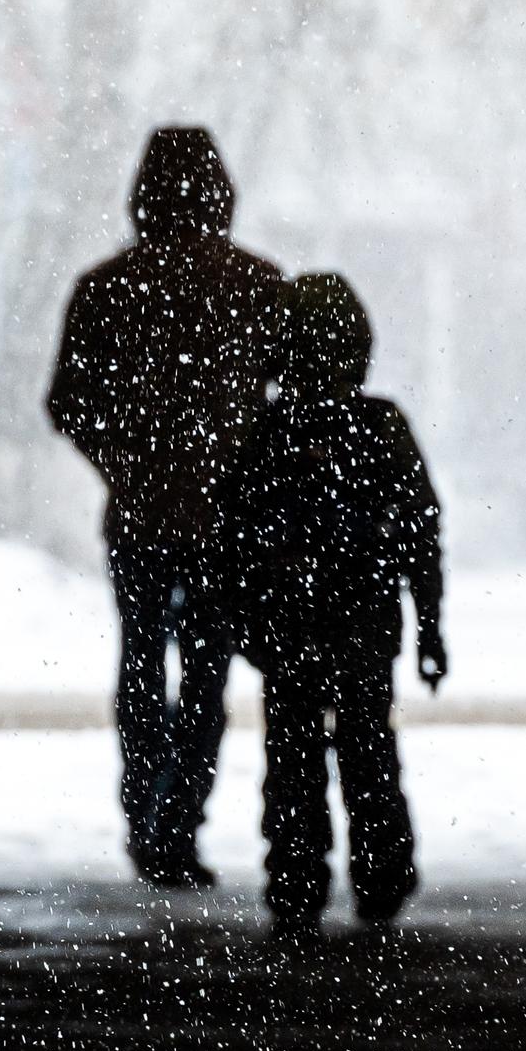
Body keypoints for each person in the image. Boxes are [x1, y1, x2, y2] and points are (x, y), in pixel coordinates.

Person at [47, 127, 286, 887]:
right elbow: (294, 397)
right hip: (225, 521)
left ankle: (143, 816)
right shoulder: (258, 285)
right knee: (208, 672)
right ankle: (179, 821)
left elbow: (67, 403)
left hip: (141, 516)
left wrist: (129, 465)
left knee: (142, 662)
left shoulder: (105, 288)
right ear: (220, 189)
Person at [226, 272, 445, 940]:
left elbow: (233, 535)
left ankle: (295, 880)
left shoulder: (266, 432)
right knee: (369, 751)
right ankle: (380, 873)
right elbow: (419, 530)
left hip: (288, 629)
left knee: (291, 759)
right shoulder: (380, 427)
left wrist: (242, 616)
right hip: (364, 624)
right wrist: (431, 625)